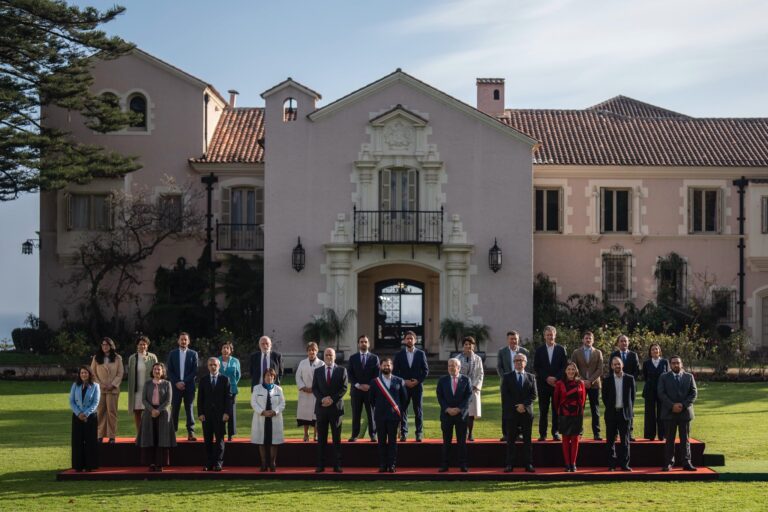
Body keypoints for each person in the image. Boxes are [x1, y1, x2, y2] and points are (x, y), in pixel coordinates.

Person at [658, 355, 698, 471]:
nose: (676, 365)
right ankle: (669, 463)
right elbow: (661, 393)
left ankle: (686, 462)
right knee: (669, 439)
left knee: (685, 439)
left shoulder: (689, 377)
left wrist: (683, 405)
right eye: (674, 363)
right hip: (669, 413)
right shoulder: (664, 377)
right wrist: (672, 406)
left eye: (678, 363)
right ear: (670, 365)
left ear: (681, 364)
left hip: (684, 413)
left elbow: (694, 393)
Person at [312, 347, 348, 473]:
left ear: (335, 357)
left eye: (331, 355)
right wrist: (322, 399)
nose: (328, 357)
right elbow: (315, 388)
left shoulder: (342, 370)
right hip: (321, 409)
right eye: (326, 355)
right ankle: (321, 465)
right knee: (321, 439)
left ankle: (337, 465)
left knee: (336, 438)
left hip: (336, 409)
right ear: (323, 356)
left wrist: (332, 399)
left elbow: (344, 388)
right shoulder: (318, 371)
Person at [369, 357, 407, 472]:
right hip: (380, 417)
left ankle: (392, 465)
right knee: (381, 442)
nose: (387, 367)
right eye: (384, 365)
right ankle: (382, 465)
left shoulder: (399, 381)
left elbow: (404, 399)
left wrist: (398, 411)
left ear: (392, 367)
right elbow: (371, 400)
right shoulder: (375, 382)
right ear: (380, 367)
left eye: (389, 365)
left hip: (393, 417)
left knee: (392, 442)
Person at [501, 353, 537, 473]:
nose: (519, 362)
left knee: (527, 440)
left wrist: (524, 405)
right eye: (516, 360)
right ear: (513, 362)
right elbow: (505, 395)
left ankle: (528, 464)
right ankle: (510, 464)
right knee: (511, 440)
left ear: (525, 363)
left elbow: (533, 395)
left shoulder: (531, 377)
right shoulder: (507, 377)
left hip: (527, 413)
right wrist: (517, 406)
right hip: (512, 413)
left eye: (521, 360)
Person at [137, 362, 176, 472]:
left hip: (163, 414)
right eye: (155, 369)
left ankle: (160, 463)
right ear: (152, 371)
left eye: (159, 369)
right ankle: (152, 463)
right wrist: (152, 410)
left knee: (161, 439)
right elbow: (144, 399)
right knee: (151, 437)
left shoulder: (167, 384)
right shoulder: (147, 383)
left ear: (163, 371)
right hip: (149, 414)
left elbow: (168, 400)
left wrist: (158, 410)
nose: (157, 371)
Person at [532, 325, 568, 441]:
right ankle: (543, 434)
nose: (550, 337)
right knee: (543, 410)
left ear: (555, 335)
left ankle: (555, 432)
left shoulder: (561, 349)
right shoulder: (539, 350)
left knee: (556, 410)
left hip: (557, 385)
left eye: (551, 334)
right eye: (548, 335)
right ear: (544, 336)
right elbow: (536, 367)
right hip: (543, 384)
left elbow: (564, 367)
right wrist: (547, 378)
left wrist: (556, 378)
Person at [436, 358, 472, 472]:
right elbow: (440, 396)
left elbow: (469, 397)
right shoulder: (442, 380)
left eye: (454, 365)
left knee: (461, 442)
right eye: (449, 366)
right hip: (447, 415)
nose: (451, 368)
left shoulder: (466, 380)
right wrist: (447, 408)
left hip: (461, 415)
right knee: (446, 442)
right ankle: (445, 465)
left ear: (459, 367)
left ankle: (463, 465)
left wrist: (459, 409)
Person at [197, 357, 233, 471]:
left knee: (219, 440)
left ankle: (218, 462)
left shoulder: (225, 379)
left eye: (215, 365)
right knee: (207, 440)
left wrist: (227, 412)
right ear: (207, 366)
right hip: (206, 415)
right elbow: (200, 398)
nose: (213, 367)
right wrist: (200, 413)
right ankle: (209, 462)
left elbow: (229, 398)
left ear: (219, 366)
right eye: (211, 365)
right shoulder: (203, 380)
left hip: (220, 415)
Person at [393, 331, 429, 442]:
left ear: (415, 340)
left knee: (418, 410)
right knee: (403, 410)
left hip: (417, 387)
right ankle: (404, 433)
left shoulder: (421, 354)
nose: (409, 340)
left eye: (411, 338)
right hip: (404, 387)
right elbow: (394, 372)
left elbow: (425, 370)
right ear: (404, 340)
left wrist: (417, 381)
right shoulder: (399, 355)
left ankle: (419, 433)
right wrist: (404, 381)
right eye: (407, 338)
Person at [602, 356, 635, 471]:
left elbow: (633, 397)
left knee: (625, 440)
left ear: (622, 365)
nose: (617, 366)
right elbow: (605, 398)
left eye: (619, 364)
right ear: (611, 366)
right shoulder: (607, 380)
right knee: (610, 440)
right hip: (611, 414)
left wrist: (627, 410)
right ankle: (611, 465)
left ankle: (624, 464)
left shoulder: (630, 379)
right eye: (614, 364)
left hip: (625, 414)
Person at [570, 331, 604, 440]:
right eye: (586, 338)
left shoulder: (598, 352)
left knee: (595, 410)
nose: (588, 340)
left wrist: (590, 381)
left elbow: (600, 369)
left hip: (594, 385)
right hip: (580, 385)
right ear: (583, 340)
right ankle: (578, 432)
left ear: (593, 340)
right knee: (580, 409)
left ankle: (597, 433)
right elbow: (573, 369)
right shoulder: (576, 352)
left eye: (590, 338)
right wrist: (583, 381)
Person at [497, 330, 529, 441]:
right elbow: (499, 367)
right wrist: (506, 379)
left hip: (521, 384)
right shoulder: (502, 351)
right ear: (508, 340)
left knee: (521, 408)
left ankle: (519, 433)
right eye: (511, 339)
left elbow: (528, 368)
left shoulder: (524, 351)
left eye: (515, 338)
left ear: (518, 339)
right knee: (506, 409)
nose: (513, 341)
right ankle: (506, 433)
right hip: (507, 385)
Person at [166, 332, 199, 441]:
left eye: (185, 339)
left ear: (188, 341)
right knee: (174, 409)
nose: (183, 341)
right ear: (178, 341)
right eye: (181, 339)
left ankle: (191, 432)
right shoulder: (172, 353)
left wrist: (184, 382)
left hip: (189, 386)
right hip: (175, 387)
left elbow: (194, 371)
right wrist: (176, 382)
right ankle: (172, 432)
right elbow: (169, 370)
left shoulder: (193, 354)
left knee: (189, 409)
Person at [251, 368, 285, 472]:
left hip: (274, 418)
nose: (269, 377)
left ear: (274, 378)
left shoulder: (278, 389)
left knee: (274, 442)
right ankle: (263, 463)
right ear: (264, 377)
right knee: (261, 441)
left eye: (271, 376)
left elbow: (282, 404)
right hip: (261, 418)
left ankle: (272, 463)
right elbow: (253, 403)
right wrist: (262, 412)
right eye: (267, 375)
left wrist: (275, 412)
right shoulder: (257, 388)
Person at [90, 337, 124, 443]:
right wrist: (100, 384)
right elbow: (93, 373)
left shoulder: (118, 358)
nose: (105, 346)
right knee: (100, 412)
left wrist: (113, 385)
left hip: (113, 390)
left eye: (107, 345)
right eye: (103, 345)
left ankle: (112, 436)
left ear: (111, 346)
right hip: (100, 390)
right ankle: (100, 435)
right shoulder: (96, 358)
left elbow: (120, 373)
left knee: (111, 412)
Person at [347, 334, 380, 442]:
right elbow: (350, 374)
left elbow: (377, 375)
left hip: (370, 391)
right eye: (361, 342)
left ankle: (373, 435)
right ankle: (354, 435)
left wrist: (369, 386)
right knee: (356, 414)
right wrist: (358, 385)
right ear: (358, 344)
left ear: (369, 344)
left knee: (371, 414)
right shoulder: (353, 358)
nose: (363, 343)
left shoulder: (375, 358)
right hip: (356, 391)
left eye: (365, 342)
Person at [554, 362, 586, 472]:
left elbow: (583, 400)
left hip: (577, 414)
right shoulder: (559, 383)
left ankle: (573, 464)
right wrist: (561, 411)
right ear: (565, 371)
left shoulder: (580, 383)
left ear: (576, 371)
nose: (571, 371)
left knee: (575, 440)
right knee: (565, 440)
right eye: (569, 369)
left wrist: (579, 412)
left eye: (573, 369)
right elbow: (556, 401)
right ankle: (567, 464)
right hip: (564, 414)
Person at [69, 365, 100, 472]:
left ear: (89, 374)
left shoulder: (96, 386)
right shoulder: (75, 385)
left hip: (90, 417)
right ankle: (78, 465)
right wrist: (79, 414)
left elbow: (95, 402)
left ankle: (90, 465)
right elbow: (71, 401)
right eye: (81, 373)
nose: (83, 374)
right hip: (77, 417)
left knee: (90, 441)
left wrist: (86, 414)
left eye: (85, 373)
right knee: (77, 441)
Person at [611, 334, 640, 441]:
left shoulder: (633, 355)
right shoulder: (614, 354)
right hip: (616, 384)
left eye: (625, 341)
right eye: (621, 341)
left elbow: (636, 371)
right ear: (618, 343)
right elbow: (611, 370)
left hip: (629, 386)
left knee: (629, 408)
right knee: (615, 408)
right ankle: (615, 433)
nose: (624, 343)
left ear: (628, 343)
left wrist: (629, 380)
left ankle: (629, 433)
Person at [127, 336, 158, 435]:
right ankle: (139, 435)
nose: (142, 346)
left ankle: (149, 435)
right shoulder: (132, 358)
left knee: (149, 412)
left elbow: (158, 372)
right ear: (137, 345)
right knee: (137, 412)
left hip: (149, 389)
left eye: (144, 344)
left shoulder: (152, 357)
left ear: (147, 346)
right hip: (136, 391)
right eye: (140, 344)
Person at [296, 342, 324, 441]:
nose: (311, 352)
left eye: (314, 350)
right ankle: (306, 434)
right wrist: (304, 387)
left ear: (317, 351)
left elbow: (323, 378)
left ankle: (315, 435)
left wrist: (314, 389)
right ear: (307, 351)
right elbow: (298, 377)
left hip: (316, 393)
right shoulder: (302, 363)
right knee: (305, 415)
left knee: (316, 415)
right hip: (304, 393)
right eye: (309, 350)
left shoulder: (321, 363)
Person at [457, 336, 484, 441]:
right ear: (463, 346)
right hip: (461, 389)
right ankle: (464, 432)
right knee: (462, 412)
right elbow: (456, 373)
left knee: (471, 413)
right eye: (466, 344)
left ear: (473, 346)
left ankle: (470, 433)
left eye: (470, 344)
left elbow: (480, 374)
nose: (468, 346)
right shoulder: (458, 358)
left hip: (473, 388)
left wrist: (475, 385)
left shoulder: (478, 359)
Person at [642, 343, 669, 441]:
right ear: (650, 352)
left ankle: (662, 435)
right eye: (653, 349)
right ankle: (650, 435)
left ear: (660, 351)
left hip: (662, 391)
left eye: (656, 349)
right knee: (649, 414)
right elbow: (645, 377)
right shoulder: (646, 363)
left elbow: (668, 376)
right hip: (649, 391)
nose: (655, 351)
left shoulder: (665, 362)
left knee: (662, 413)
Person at [218, 341, 241, 441]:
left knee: (230, 411)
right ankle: (221, 432)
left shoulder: (235, 361)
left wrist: (232, 383)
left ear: (231, 350)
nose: (225, 349)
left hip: (232, 390)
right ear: (221, 349)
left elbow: (238, 375)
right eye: (224, 347)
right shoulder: (216, 360)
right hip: (219, 390)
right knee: (220, 411)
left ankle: (231, 434)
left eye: (227, 348)